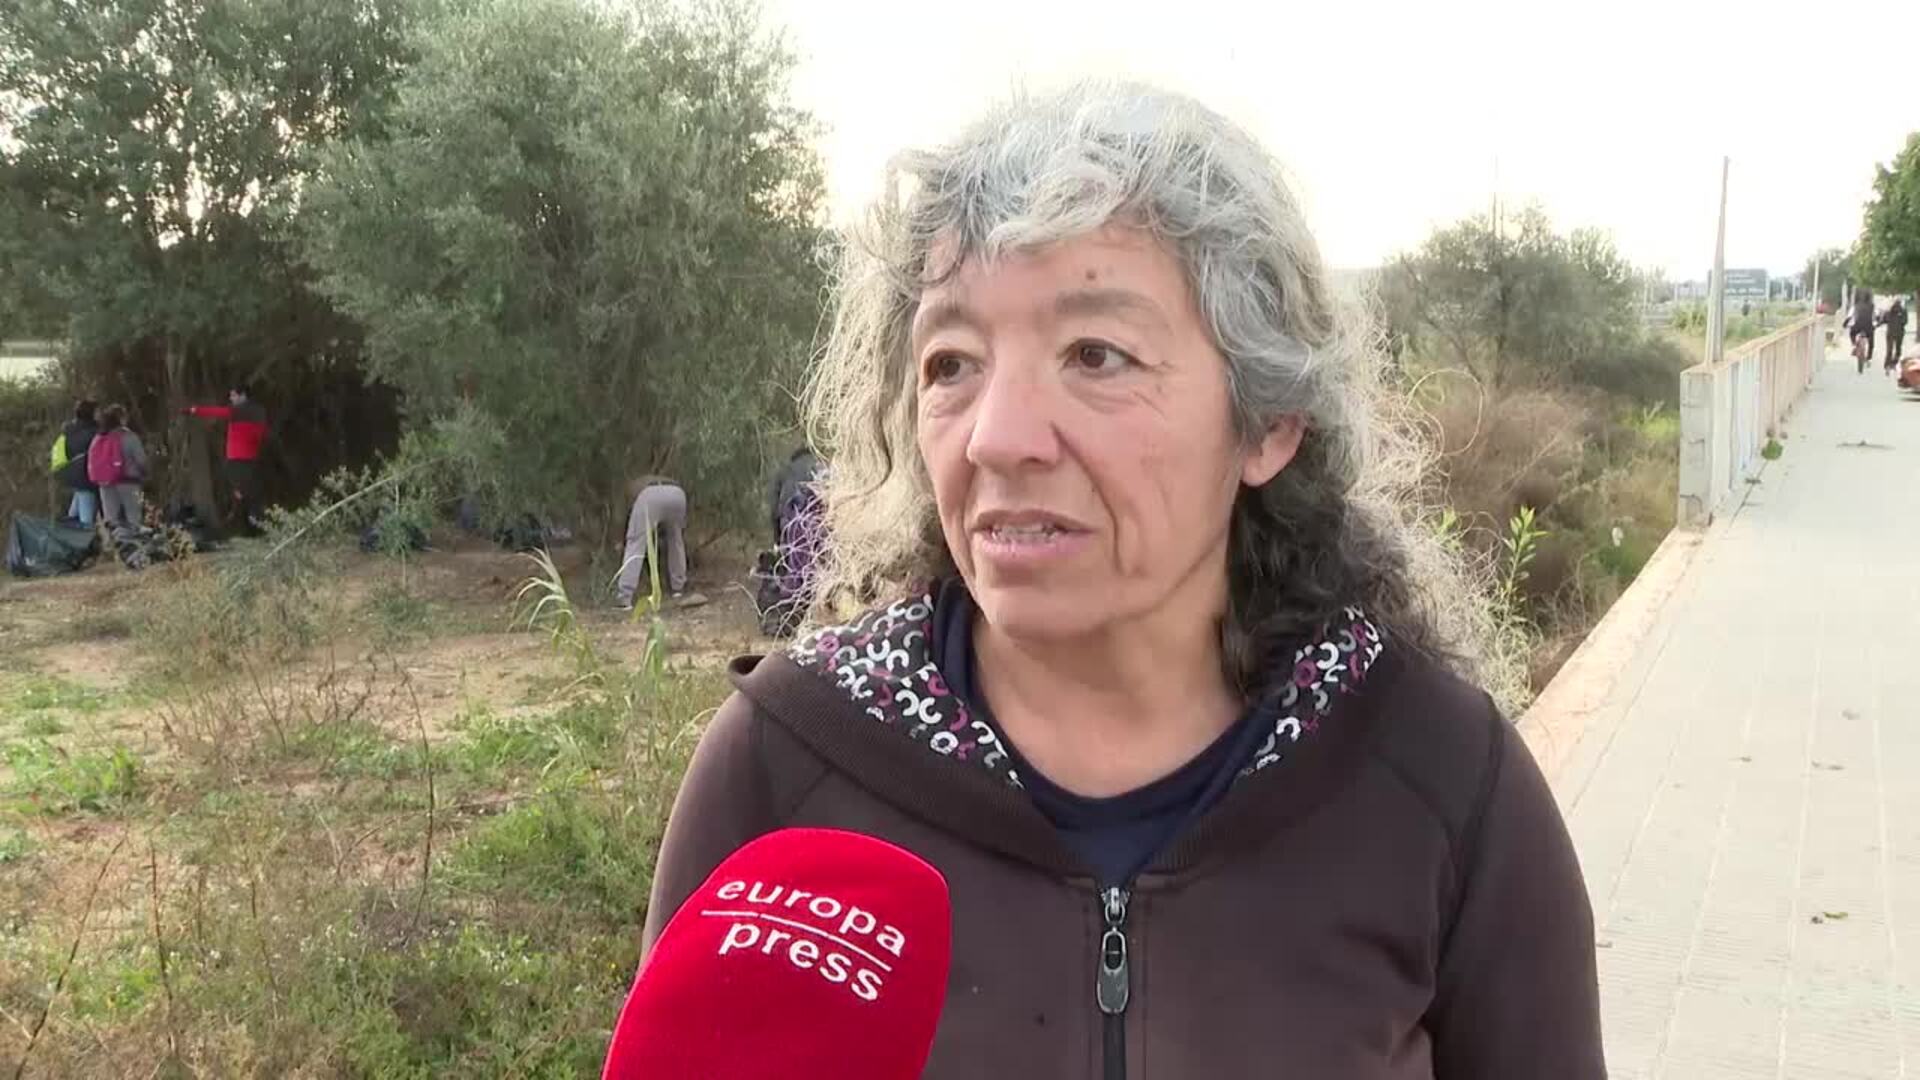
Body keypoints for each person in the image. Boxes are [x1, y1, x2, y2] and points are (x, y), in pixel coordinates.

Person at [636, 84, 1603, 1078]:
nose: (999, 436)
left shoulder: (1438, 778)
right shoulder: (784, 770)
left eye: (1096, 355)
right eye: (951, 364)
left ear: (1267, 422)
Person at [182, 383, 269, 534]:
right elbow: (261, 434)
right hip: (250, 458)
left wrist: (194, 410)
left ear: (243, 396)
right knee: (247, 491)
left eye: (234, 395)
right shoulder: (258, 411)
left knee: (243, 492)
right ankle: (253, 522)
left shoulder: (238, 411)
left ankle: (253, 522)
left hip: (237, 459)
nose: (231, 398)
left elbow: (216, 412)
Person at [614, 476, 704, 611]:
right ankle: (678, 588)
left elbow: (626, 520)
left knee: (636, 543)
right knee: (676, 540)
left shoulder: (630, 490)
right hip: (677, 494)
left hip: (650, 497)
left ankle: (624, 598)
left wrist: (621, 540)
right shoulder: (651, 480)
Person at [88, 404, 147, 530]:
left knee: (110, 519)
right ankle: (133, 545)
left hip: (105, 482)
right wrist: (144, 473)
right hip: (128, 481)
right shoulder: (129, 437)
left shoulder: (99, 437)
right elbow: (141, 460)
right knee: (133, 518)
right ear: (121, 418)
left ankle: (112, 545)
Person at [52, 400, 100, 527]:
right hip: (84, 474)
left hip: (68, 470)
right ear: (91, 413)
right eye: (97, 411)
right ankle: (82, 538)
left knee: (79, 498)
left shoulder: (69, 428)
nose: (99, 414)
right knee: (86, 513)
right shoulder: (92, 431)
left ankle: (68, 529)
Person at [765, 445, 821, 543]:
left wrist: (777, 538)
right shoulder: (820, 468)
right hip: (816, 522)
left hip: (790, 523)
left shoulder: (784, 471)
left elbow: (774, 508)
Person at [1848, 288, 1876, 367]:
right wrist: (1876, 323)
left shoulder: (1856, 305)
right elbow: (1875, 316)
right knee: (1871, 342)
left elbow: (1850, 315)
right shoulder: (1872, 306)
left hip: (1857, 326)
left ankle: (1854, 345)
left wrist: (1846, 323)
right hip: (1868, 327)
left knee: (1852, 333)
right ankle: (1869, 358)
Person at [1880, 298, 1907, 374]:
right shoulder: (1903, 311)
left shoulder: (1889, 311)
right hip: (1900, 333)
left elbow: (1883, 320)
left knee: (1889, 349)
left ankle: (1887, 365)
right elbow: (1905, 322)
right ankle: (1895, 363)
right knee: (1898, 349)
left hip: (1890, 333)